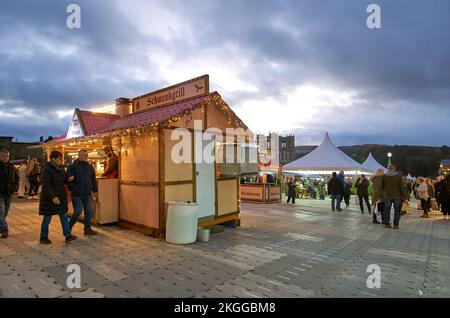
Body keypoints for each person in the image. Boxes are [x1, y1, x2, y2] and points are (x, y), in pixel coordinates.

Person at [39, 151, 77, 244]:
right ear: (53, 159)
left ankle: (68, 236)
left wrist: (69, 179)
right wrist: (53, 197)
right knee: (47, 218)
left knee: (64, 216)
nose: (61, 160)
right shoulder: (47, 169)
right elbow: (46, 186)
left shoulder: (60, 169)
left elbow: (64, 180)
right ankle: (43, 237)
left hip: (61, 197)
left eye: (61, 158)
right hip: (50, 198)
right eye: (59, 158)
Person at [67, 149, 99, 235]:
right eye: (84, 155)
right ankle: (68, 228)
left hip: (87, 194)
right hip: (77, 194)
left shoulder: (90, 167)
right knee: (77, 212)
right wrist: (74, 188)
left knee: (89, 211)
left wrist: (95, 190)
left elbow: (93, 179)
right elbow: (68, 180)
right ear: (79, 156)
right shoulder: (72, 166)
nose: (86, 157)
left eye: (86, 155)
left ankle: (87, 229)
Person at [381, 164, 407, 229]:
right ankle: (396, 225)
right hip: (397, 196)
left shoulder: (384, 176)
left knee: (387, 210)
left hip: (387, 195)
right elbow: (401, 187)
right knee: (397, 210)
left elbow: (382, 186)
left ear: (388, 168)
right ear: (394, 169)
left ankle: (386, 224)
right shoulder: (398, 176)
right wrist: (405, 195)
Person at [0, 149, 17, 239]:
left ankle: (1, 225)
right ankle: (4, 229)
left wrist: (14, 187)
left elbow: (16, 178)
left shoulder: (11, 166)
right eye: (3, 156)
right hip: (0, 192)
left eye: (7, 156)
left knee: (5, 212)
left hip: (8, 192)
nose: (5, 158)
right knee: (1, 211)